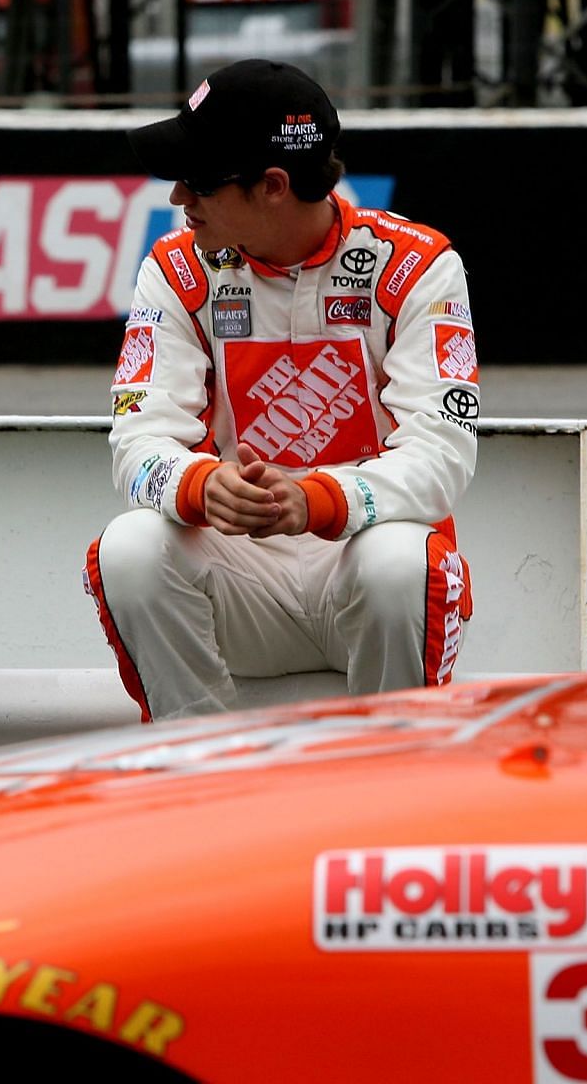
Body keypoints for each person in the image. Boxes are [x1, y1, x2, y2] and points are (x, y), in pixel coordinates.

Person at [85, 59, 478, 720]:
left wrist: (317, 499)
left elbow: (442, 456)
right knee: (129, 548)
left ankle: (394, 782)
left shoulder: (417, 267)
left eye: (201, 181)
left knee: (400, 562)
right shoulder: (175, 268)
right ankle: (196, 772)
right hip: (244, 580)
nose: (180, 199)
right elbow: (137, 440)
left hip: (361, 570)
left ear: (272, 185)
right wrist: (199, 483)